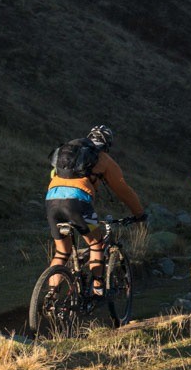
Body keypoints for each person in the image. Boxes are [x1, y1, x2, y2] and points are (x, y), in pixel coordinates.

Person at [45, 125, 145, 296]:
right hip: (78, 205)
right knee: (96, 243)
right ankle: (98, 287)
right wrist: (139, 214)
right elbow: (123, 190)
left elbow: (54, 175)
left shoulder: (68, 155)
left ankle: (51, 296)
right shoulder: (102, 158)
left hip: (51, 201)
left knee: (62, 252)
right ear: (106, 144)